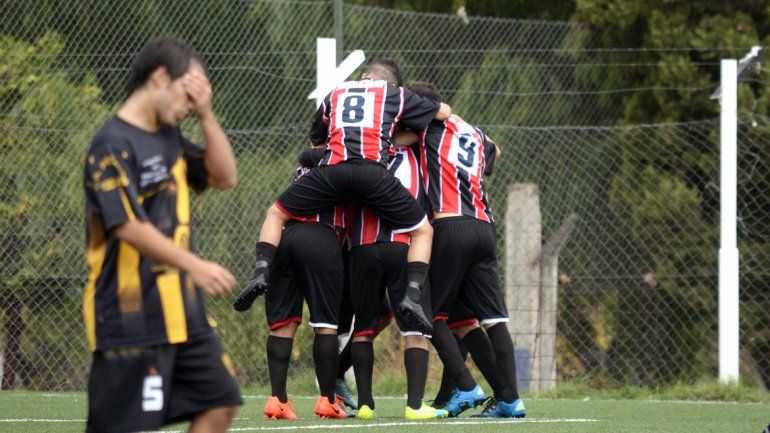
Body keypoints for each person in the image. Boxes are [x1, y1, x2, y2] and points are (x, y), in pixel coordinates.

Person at [83, 37, 242, 433]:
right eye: (189, 95)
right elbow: (127, 226)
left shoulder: (169, 136)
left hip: (184, 316)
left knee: (221, 401)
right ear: (159, 77)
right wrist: (196, 266)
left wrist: (206, 116)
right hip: (129, 318)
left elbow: (224, 177)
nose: (190, 106)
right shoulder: (110, 145)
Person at [233, 59, 451, 336]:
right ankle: (412, 296)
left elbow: (315, 140)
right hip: (372, 174)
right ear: (392, 84)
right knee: (422, 231)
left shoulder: (335, 93)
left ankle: (261, 272)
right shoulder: (392, 94)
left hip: (332, 172)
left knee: (276, 214)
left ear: (363, 76)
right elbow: (442, 113)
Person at [406, 81, 526, 418]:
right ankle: (511, 400)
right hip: (484, 227)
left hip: (450, 225)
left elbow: (396, 139)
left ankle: (467, 386)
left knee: (426, 312)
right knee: (487, 319)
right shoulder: (471, 130)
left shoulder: (426, 127)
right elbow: (496, 152)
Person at [345, 144, 448, 420]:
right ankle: (414, 406)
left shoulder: (363, 152)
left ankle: (365, 405)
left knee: (364, 328)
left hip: (362, 246)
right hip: (406, 246)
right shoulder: (422, 153)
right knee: (416, 328)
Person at [258, 147, 349, 420]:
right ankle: (328, 400)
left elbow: (307, 154)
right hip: (321, 236)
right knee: (325, 325)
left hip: (284, 236)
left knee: (283, 324)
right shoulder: (344, 161)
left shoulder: (305, 166)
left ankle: (278, 400)